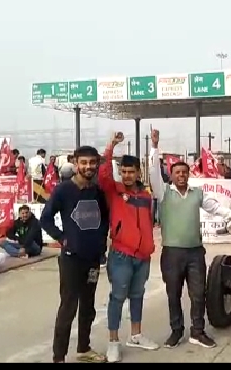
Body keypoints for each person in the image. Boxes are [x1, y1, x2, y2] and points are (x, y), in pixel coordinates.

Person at [150, 128, 231, 349]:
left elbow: (215, 208)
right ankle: (176, 331)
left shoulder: (197, 194)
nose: (181, 175)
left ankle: (197, 332)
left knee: (198, 294)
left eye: (184, 172)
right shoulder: (164, 194)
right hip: (172, 254)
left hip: (195, 253)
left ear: (188, 175)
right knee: (173, 295)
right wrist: (154, 147)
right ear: (171, 176)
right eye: (177, 172)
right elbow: (153, 173)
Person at [40, 145, 109, 363]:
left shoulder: (97, 191)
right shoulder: (63, 190)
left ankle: (84, 348)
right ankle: (59, 357)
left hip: (93, 260)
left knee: (88, 307)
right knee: (68, 307)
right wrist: (62, 238)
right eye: (84, 162)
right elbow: (45, 219)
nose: (88, 166)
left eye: (92, 162)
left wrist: (101, 245)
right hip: (71, 259)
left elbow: (104, 220)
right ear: (76, 163)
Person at [98, 133, 158, 363]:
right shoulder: (114, 190)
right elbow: (103, 175)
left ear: (138, 173)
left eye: (131, 172)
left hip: (143, 257)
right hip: (121, 255)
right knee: (117, 297)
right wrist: (111, 146)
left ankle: (136, 335)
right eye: (123, 171)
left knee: (137, 295)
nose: (126, 175)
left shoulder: (146, 195)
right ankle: (113, 342)